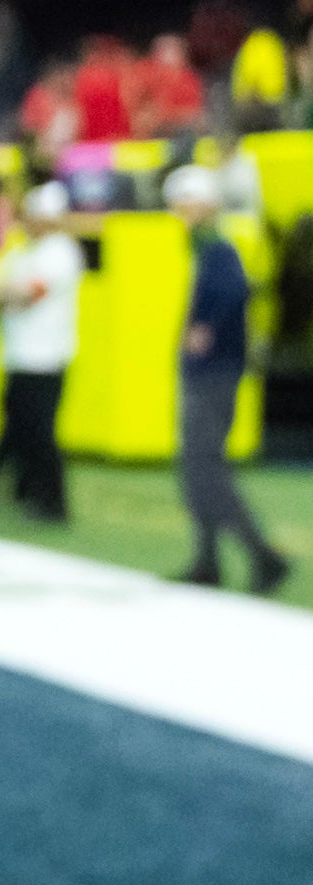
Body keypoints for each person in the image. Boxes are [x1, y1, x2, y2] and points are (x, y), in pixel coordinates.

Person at [171, 168, 288, 593]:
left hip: (212, 375)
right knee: (197, 469)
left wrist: (203, 327)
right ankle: (208, 560)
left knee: (204, 471)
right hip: (209, 373)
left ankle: (264, 556)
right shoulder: (206, 247)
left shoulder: (218, 249)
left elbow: (232, 291)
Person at [0, 185, 84, 521]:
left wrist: (7, 294)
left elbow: (26, 294)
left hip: (45, 358)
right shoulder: (27, 251)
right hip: (19, 354)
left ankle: (54, 503)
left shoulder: (60, 252)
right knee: (17, 427)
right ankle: (20, 493)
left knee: (39, 433)